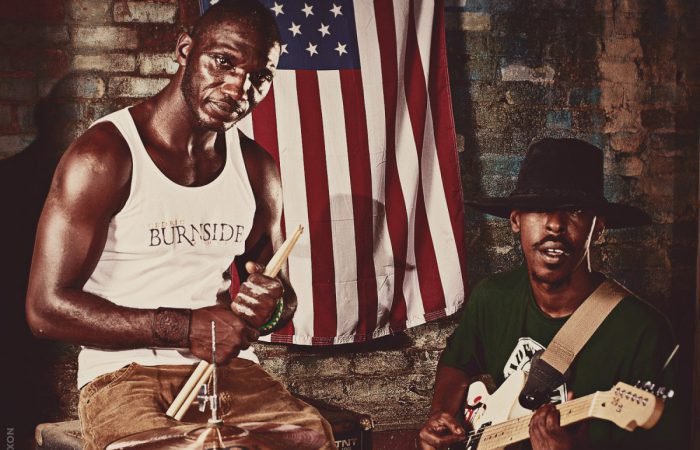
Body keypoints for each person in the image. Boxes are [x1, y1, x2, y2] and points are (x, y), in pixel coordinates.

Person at [25, 1, 334, 449]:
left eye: (259, 77)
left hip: (230, 371)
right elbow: (44, 310)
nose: (238, 88)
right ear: (185, 50)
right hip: (123, 374)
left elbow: (280, 297)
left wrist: (270, 305)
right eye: (223, 62)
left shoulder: (256, 168)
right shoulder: (104, 155)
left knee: (308, 438)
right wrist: (186, 328)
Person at [418, 138, 680, 450]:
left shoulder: (644, 332)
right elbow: (456, 362)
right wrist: (441, 414)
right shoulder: (492, 298)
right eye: (539, 209)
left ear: (598, 227)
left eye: (574, 210)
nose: (555, 224)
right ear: (515, 220)